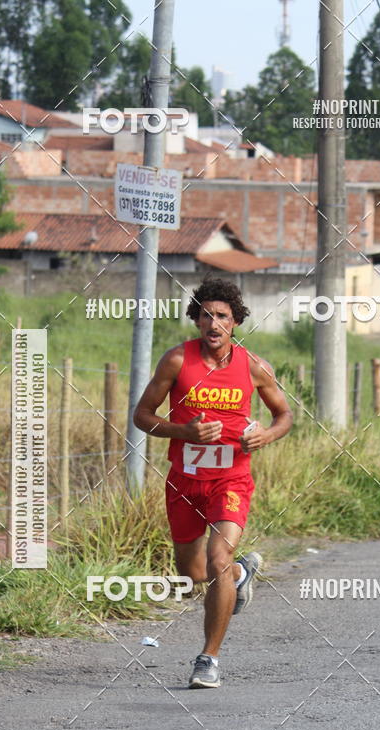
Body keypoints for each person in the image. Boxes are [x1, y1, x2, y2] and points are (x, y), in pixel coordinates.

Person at [133, 278, 293, 688]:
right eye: (206, 314)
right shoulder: (176, 361)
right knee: (192, 573)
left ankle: (209, 659)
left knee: (218, 557)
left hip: (231, 479)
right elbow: (143, 416)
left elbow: (284, 416)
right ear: (197, 319)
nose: (214, 322)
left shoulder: (254, 366)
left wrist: (266, 436)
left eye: (222, 315)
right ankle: (240, 576)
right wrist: (182, 431)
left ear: (236, 322)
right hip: (184, 482)